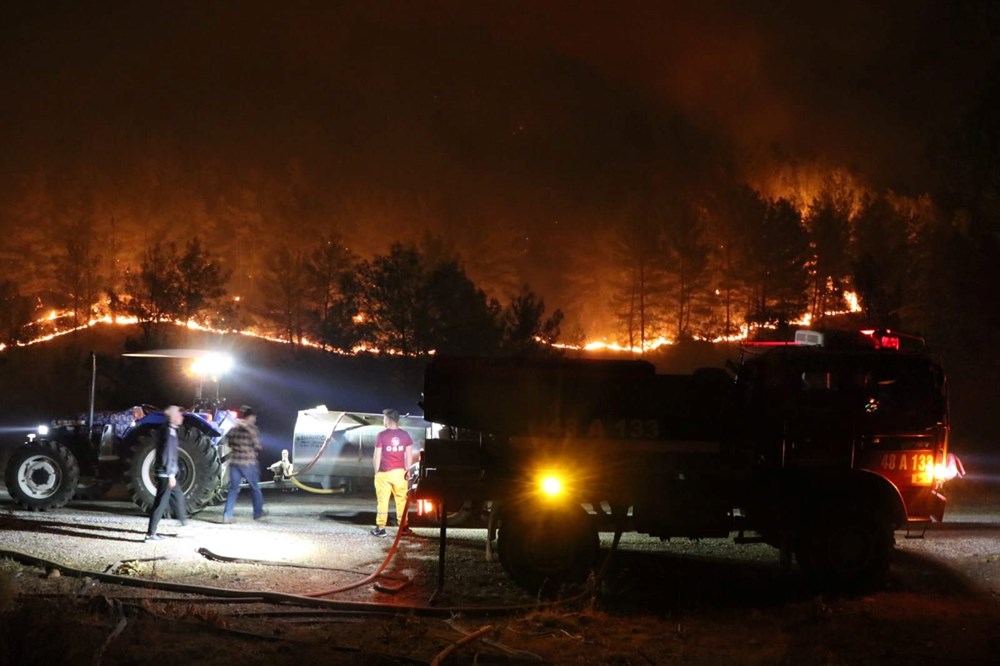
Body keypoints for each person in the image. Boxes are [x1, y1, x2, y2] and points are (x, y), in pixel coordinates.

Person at [145, 405, 188, 541]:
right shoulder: (169, 432)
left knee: (179, 497)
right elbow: (167, 453)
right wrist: (170, 474)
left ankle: (183, 526)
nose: (182, 417)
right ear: (174, 418)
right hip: (166, 474)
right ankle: (150, 534)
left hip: (167, 473)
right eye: (180, 415)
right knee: (160, 504)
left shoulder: (168, 430)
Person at [370, 408, 413, 537]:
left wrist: (376, 472)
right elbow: (409, 456)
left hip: (384, 473)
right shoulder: (405, 435)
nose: (384, 420)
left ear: (388, 420)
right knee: (402, 501)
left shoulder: (382, 435)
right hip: (400, 473)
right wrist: (408, 471)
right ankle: (403, 527)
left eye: (384, 418)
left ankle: (381, 528)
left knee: (383, 501)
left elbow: (377, 456)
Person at [222, 405, 266, 523]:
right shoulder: (252, 429)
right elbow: (257, 445)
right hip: (248, 463)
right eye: (254, 417)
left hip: (234, 462)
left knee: (233, 489)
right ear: (250, 417)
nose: (255, 419)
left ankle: (227, 515)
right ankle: (257, 512)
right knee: (255, 488)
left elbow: (229, 442)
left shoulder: (233, 428)